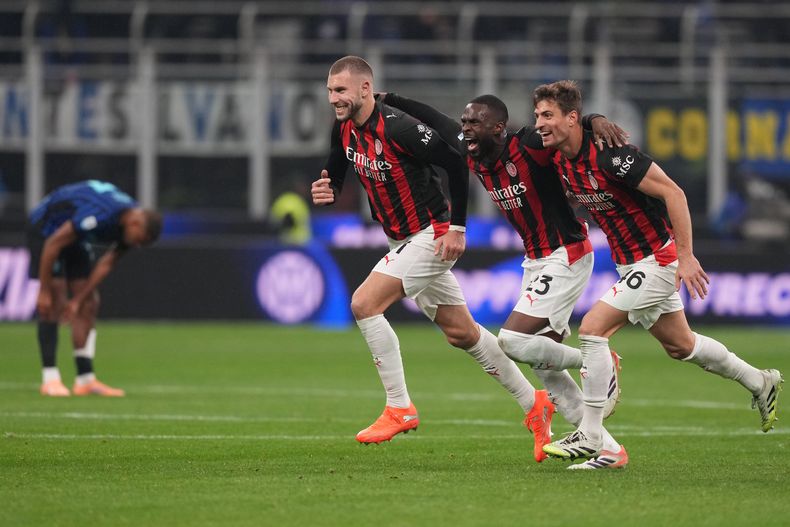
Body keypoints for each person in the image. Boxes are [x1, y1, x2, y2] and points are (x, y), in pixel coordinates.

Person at [532, 80, 783, 463]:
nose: (539, 124)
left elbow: (674, 193)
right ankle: (759, 380)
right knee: (681, 345)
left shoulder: (613, 156)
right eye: (537, 116)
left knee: (593, 329)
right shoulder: (561, 158)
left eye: (547, 115)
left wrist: (686, 256)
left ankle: (591, 434)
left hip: (657, 260)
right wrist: (595, 118)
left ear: (571, 118)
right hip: (629, 264)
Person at [313, 55, 554, 446]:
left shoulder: (399, 127)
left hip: (431, 235)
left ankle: (399, 407)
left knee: (364, 304)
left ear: (364, 89)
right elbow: (336, 168)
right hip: (400, 238)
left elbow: (456, 162)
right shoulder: (343, 129)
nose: (333, 98)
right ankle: (535, 402)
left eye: (340, 90)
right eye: (329, 91)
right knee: (462, 333)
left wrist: (457, 227)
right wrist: (330, 188)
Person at [381, 91, 629, 468]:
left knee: (512, 340)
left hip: (567, 253)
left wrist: (593, 119)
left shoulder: (528, 144)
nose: (465, 129)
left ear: (499, 128)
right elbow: (433, 117)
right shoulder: (471, 148)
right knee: (546, 368)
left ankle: (598, 360)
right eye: (464, 123)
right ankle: (609, 449)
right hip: (536, 260)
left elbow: (565, 132)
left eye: (474, 122)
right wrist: (392, 99)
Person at [27, 180, 162, 397]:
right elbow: (53, 244)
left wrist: (78, 299)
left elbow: (106, 263)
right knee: (55, 299)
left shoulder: (129, 224)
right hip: (46, 230)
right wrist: (43, 291)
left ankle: (85, 380)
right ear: (135, 224)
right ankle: (50, 379)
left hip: (76, 236)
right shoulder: (101, 215)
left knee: (90, 303)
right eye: (139, 240)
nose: (136, 245)